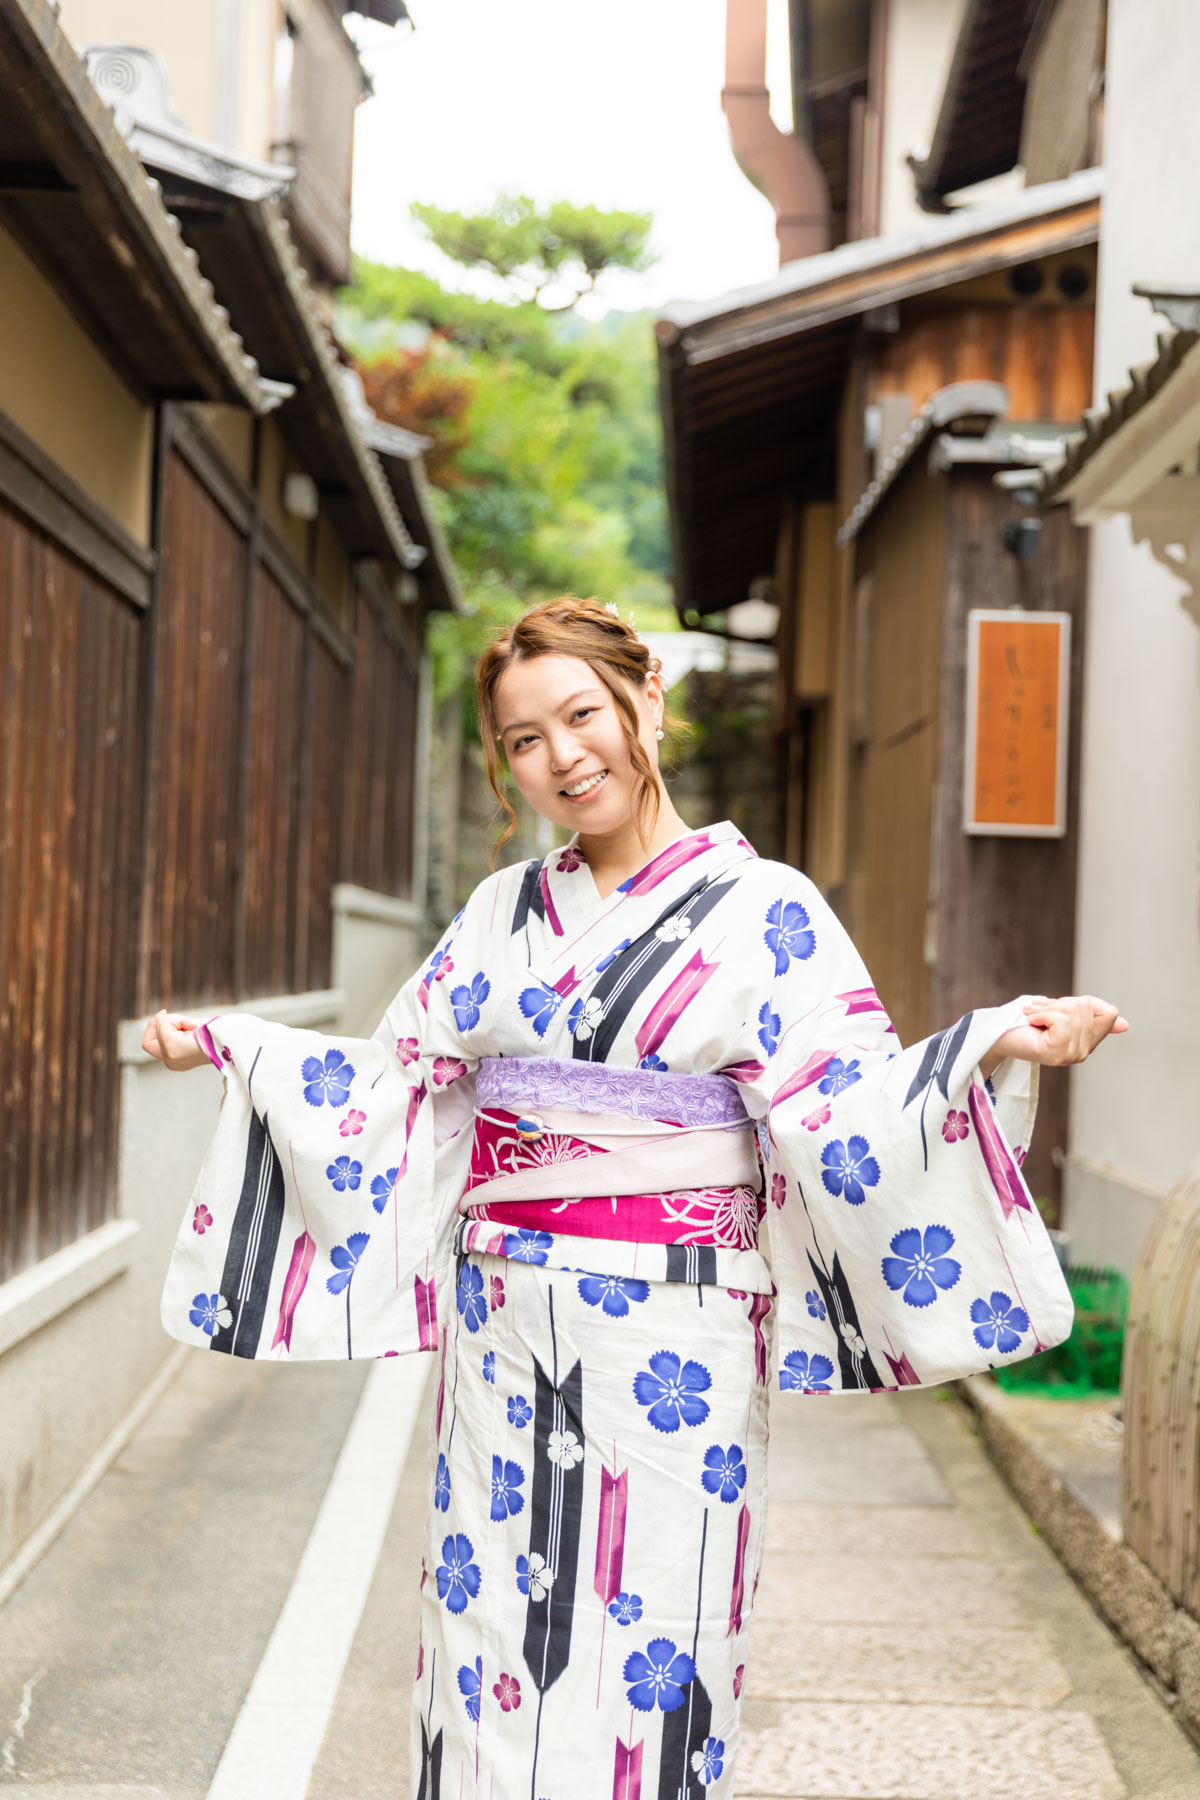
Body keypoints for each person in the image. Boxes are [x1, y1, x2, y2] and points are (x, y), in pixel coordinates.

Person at [145, 595, 1126, 1797]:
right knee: (486, 1632)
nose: (562, 756)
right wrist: (242, 1049)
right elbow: (395, 1087)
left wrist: (991, 1046)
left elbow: (852, 1105)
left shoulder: (769, 912)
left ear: (647, 700)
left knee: (662, 1633)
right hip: (505, 1332)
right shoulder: (501, 916)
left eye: (583, 715)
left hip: (682, 1334)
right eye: (523, 740)